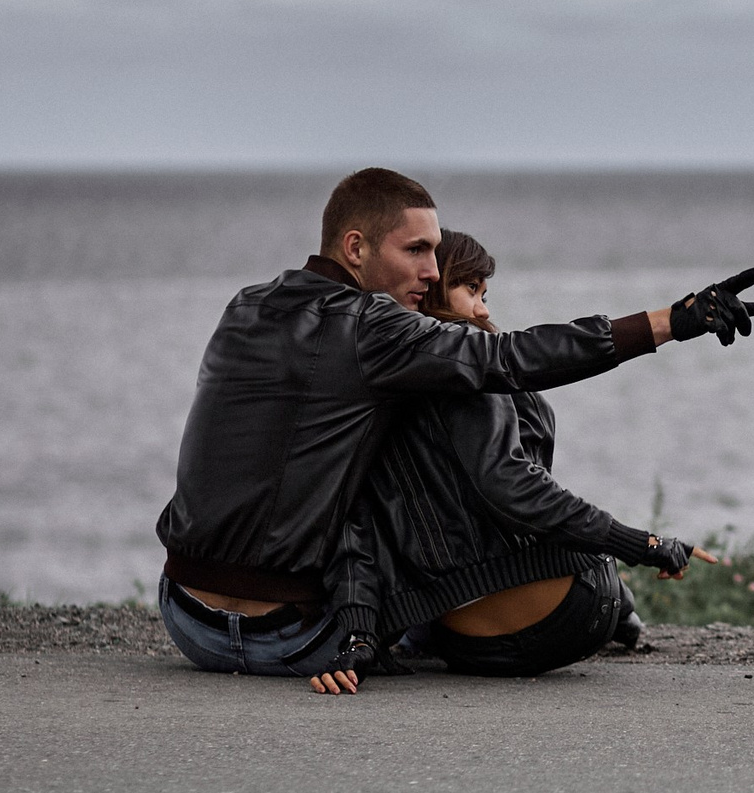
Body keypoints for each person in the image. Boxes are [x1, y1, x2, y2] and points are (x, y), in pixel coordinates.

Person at [155, 167, 754, 688]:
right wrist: (674, 320)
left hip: (185, 619)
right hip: (292, 640)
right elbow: (514, 357)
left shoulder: (243, 305)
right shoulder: (374, 326)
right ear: (356, 246)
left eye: (437, 251)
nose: (432, 268)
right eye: (415, 250)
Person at [306, 229, 723, 693]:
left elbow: (355, 524)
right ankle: (623, 609)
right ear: (430, 288)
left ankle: (621, 606)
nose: (483, 309)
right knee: (556, 527)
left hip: (462, 646)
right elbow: (511, 484)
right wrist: (642, 544)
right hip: (569, 616)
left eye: (485, 294)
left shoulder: (357, 395)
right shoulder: (463, 353)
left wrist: (360, 633)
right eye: (471, 290)